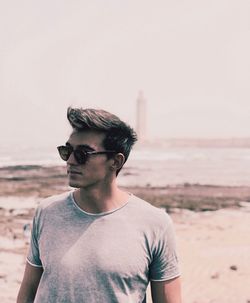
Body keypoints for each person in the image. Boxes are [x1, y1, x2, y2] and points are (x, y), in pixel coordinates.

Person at [17, 107, 181, 303]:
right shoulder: (47, 212)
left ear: (116, 161)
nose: (70, 160)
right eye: (66, 150)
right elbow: (28, 291)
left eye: (83, 153)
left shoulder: (155, 224)